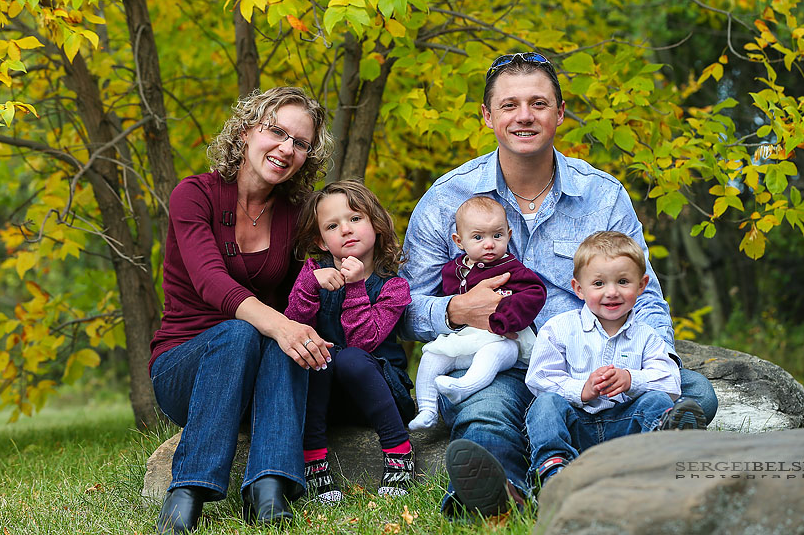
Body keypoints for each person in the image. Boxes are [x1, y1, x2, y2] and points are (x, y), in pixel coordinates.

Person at [400, 52, 718, 516]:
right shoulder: (447, 198)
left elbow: (644, 295)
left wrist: (647, 359)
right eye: (509, 105)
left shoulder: (602, 194)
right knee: (484, 414)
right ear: (487, 116)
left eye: (538, 103)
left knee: (695, 392)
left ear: (560, 113)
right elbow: (404, 307)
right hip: (497, 363)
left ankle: (628, 465)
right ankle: (500, 494)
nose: (524, 116)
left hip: (590, 358)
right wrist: (455, 311)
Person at [150, 87, 334, 534]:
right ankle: (187, 491)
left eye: (301, 142)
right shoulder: (193, 195)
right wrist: (283, 326)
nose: (286, 148)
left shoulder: (296, 212)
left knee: (281, 338)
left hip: (263, 377)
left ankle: (267, 487)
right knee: (244, 332)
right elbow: (211, 281)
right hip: (185, 368)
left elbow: (301, 298)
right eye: (277, 131)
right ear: (248, 130)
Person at [521, 231, 703, 494]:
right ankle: (554, 471)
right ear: (578, 288)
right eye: (598, 284)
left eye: (623, 281)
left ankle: (661, 456)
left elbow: (671, 380)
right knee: (545, 405)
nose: (612, 292)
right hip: (576, 426)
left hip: (626, 424)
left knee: (658, 401)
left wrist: (632, 379)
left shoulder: (646, 335)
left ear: (641, 286)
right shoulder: (559, 328)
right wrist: (581, 389)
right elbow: (538, 378)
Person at [285, 180, 416, 504]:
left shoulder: (394, 287)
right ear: (321, 240)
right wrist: (308, 287)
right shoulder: (313, 275)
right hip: (326, 400)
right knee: (317, 358)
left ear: (375, 223)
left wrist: (356, 287)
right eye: (332, 225)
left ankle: (399, 452)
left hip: (380, 393)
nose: (346, 229)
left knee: (349, 358)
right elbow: (294, 332)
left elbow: (364, 340)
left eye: (355, 218)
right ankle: (314, 462)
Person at [408, 196, 547, 430]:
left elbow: (535, 294)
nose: (489, 244)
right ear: (459, 241)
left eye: (497, 236)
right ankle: (428, 409)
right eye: (478, 237)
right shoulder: (453, 271)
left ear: (508, 235)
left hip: (503, 339)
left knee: (490, 356)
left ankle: (465, 388)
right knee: (432, 355)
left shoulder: (512, 269)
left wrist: (502, 320)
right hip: (465, 338)